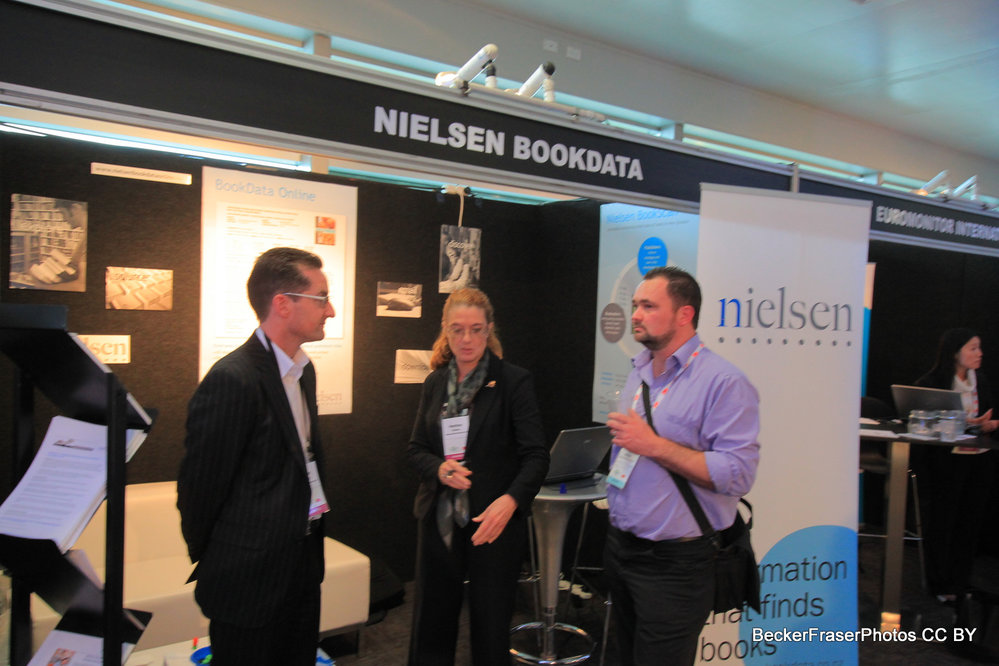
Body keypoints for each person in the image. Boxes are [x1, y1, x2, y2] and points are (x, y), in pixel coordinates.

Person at [177, 247, 336, 666]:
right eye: (322, 298)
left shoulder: (303, 372)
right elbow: (199, 489)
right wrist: (224, 557)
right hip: (247, 582)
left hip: (301, 568)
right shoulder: (233, 379)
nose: (331, 310)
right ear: (282, 304)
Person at [605, 266, 760, 666]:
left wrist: (654, 446)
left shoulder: (724, 382)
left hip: (676, 564)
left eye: (648, 306)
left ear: (684, 314)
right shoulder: (639, 371)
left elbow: (738, 473)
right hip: (622, 548)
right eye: (635, 305)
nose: (635, 315)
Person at [406, 288, 549, 665]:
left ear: (489, 330)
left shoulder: (513, 382)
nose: (466, 339)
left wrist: (511, 501)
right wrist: (439, 468)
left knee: (490, 626)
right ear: (445, 331)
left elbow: (536, 456)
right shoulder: (435, 383)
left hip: (492, 523)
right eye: (457, 330)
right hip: (439, 520)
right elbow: (416, 448)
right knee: (431, 624)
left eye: (476, 329)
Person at [914, 328, 998, 603]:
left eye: (979, 348)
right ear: (955, 352)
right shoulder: (933, 382)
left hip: (978, 459)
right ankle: (940, 584)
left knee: (969, 523)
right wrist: (964, 422)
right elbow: (918, 419)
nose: (979, 353)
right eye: (973, 348)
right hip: (946, 461)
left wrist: (986, 425)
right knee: (943, 522)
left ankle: (960, 582)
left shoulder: (980, 380)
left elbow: (985, 416)